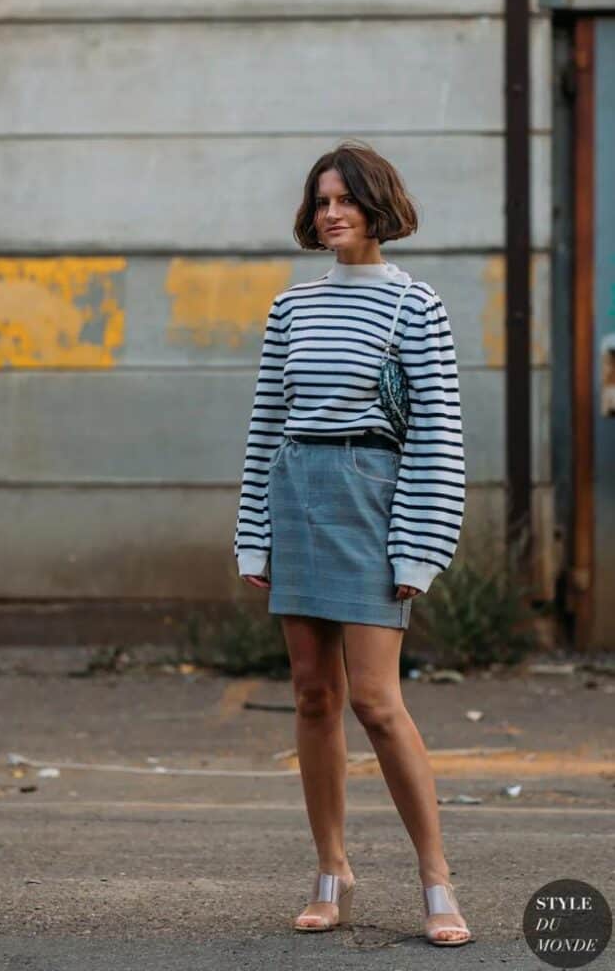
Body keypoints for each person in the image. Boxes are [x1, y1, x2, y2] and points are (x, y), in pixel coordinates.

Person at [233, 139, 472, 946]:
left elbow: (437, 435)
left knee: (375, 700)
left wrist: (420, 547)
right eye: (321, 201)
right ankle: (330, 870)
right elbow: (266, 427)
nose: (331, 213)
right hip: (295, 493)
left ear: (378, 208)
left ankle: (436, 878)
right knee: (312, 694)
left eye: (345, 200)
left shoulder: (415, 305)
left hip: (372, 498)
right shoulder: (291, 308)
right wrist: (253, 538)